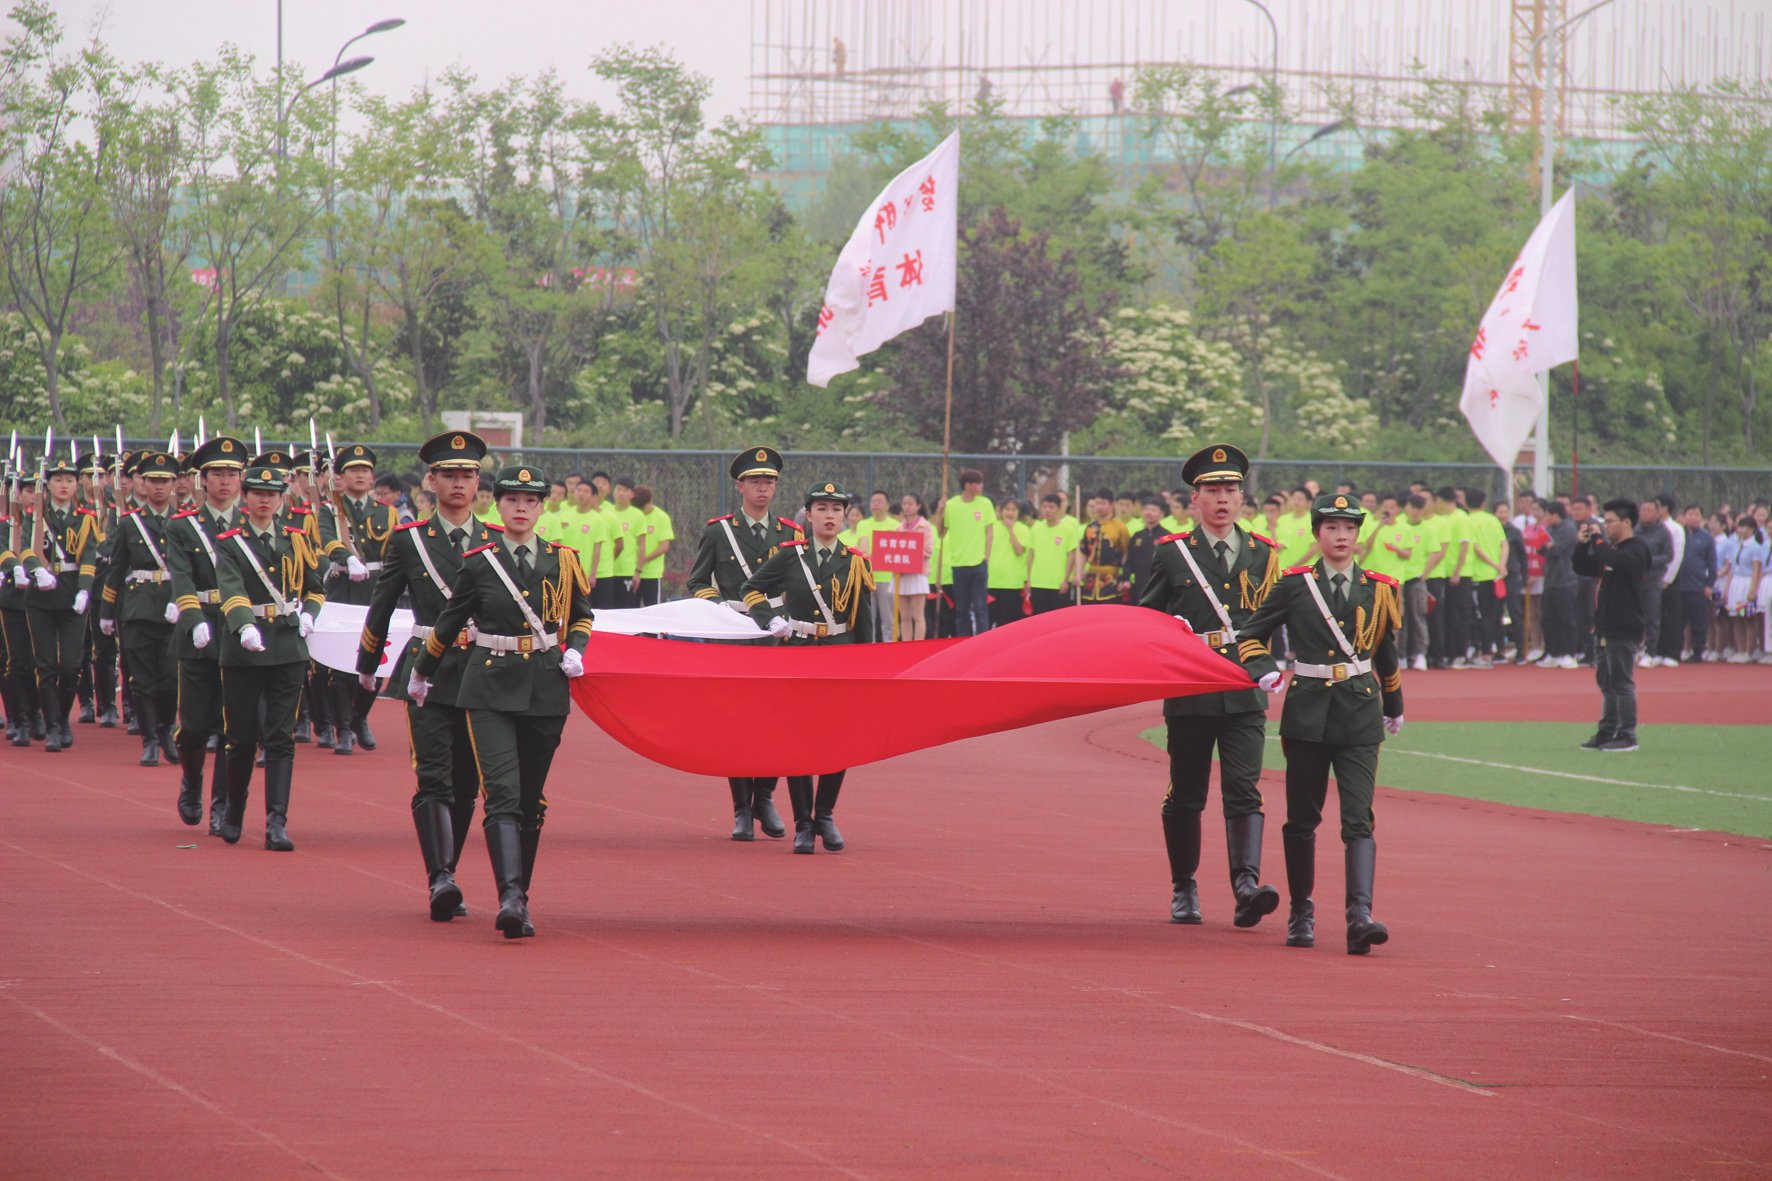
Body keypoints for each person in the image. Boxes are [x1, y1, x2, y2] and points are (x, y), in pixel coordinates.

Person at [411, 464, 593, 938]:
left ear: (541, 507)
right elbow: (450, 623)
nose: (521, 509)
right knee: (503, 794)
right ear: (497, 504)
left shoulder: (563, 559)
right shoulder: (479, 561)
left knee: (532, 800)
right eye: (512, 500)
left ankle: (521, 897)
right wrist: (421, 674)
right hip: (488, 686)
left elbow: (581, 617)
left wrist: (576, 648)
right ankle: (510, 897)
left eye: (530, 502)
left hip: (545, 688)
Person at [1238, 492, 1405, 955]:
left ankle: (1359, 916)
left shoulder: (1379, 587)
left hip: (1359, 712)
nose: (1341, 537)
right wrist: (1265, 669)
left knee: (1358, 819)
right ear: (1317, 534)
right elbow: (1250, 636)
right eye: (1332, 528)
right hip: (1308, 712)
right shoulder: (1295, 585)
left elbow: (1384, 648)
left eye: (1349, 529)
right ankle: (1301, 911)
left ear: (1358, 536)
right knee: (1302, 819)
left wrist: (1394, 701)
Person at [1138, 444, 1284, 930]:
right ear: (1194, 499)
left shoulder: (1264, 554)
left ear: (1243, 497)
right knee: (1187, 793)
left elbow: (1273, 620)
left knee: (1244, 788)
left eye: (1231, 490)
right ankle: (1185, 886)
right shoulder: (1174, 554)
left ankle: (1246, 886)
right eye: (1213, 490)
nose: (1223, 499)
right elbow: (1147, 618)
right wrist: (1168, 632)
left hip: (1243, 687)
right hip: (1192, 687)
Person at [358, 430, 501, 921]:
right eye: (450, 475)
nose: (459, 483)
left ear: (479, 482)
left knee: (467, 782)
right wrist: (368, 662)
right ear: (432, 481)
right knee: (433, 774)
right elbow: (382, 604)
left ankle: (449, 871)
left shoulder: (496, 541)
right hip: (427, 668)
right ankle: (439, 876)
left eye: (468, 475)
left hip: (482, 669)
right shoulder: (410, 540)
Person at [740, 481, 875, 853]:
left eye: (836, 509)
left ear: (844, 515)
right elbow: (751, 589)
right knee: (800, 738)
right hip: (798, 652)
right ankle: (802, 823)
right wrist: (769, 620)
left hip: (840, 655)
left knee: (837, 740)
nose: (829, 516)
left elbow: (864, 622)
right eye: (822, 509)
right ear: (809, 515)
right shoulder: (790, 555)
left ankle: (825, 816)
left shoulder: (857, 561)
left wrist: (868, 669)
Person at [686, 447, 801, 840]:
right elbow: (697, 581)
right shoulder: (720, 531)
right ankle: (741, 807)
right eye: (755, 481)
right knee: (735, 722)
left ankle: (765, 796)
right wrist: (719, 609)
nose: (763, 488)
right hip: (734, 633)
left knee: (777, 722)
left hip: (777, 635)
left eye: (769, 481)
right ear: (740, 486)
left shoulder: (790, 533)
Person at [214, 456, 328, 848]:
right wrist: (244, 624)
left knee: (281, 737)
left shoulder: (296, 538)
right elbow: (230, 587)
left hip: (287, 644)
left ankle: (276, 822)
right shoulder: (230, 543)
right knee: (242, 737)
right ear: (245, 497)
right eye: (258, 493)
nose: (265, 500)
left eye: (272, 494)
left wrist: (310, 615)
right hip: (244, 644)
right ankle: (233, 810)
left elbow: (314, 587)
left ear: (282, 498)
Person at [165, 436, 246, 832]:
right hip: (199, 628)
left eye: (232, 473)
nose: (226, 481)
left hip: (240, 631)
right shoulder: (182, 526)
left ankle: (222, 804)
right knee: (195, 725)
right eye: (218, 473)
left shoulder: (252, 523)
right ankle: (192, 779)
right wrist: (193, 618)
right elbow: (180, 577)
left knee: (233, 726)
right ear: (203, 478)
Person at [99, 451, 183, 767]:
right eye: (153, 481)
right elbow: (116, 569)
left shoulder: (185, 523)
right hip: (137, 609)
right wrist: (107, 611)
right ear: (142, 484)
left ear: (174, 484)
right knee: (142, 680)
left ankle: (165, 730)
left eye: (165, 481)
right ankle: (150, 740)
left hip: (176, 606)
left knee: (170, 678)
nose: (159, 487)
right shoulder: (129, 523)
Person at [317, 444, 399, 756]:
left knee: (375, 657)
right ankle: (344, 729)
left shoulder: (386, 512)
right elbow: (328, 539)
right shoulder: (330, 510)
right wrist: (345, 558)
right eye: (353, 470)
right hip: (343, 587)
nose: (361, 475)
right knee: (341, 664)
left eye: (365, 470)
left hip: (376, 588)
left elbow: (394, 549)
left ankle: (360, 717)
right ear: (341, 477)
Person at [21, 453, 99, 752]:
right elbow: (25, 547)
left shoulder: (85, 519)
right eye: (57, 480)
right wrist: (36, 569)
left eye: (69, 480)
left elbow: (90, 556)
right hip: (40, 597)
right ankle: (53, 726)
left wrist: (84, 590)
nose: (64, 485)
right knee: (45, 665)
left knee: (71, 665)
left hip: (71, 595)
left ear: (77, 484)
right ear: (48, 484)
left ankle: (63, 717)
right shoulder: (35, 516)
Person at [1572, 499, 1650, 751]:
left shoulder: (1636, 549)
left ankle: (1627, 734)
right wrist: (1583, 545)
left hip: (1624, 624)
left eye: (1609, 522)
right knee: (1606, 680)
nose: (1605, 527)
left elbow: (1616, 560)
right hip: (1605, 624)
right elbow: (1583, 567)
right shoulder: (1611, 550)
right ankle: (1607, 730)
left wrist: (1597, 541)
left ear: (1626, 522)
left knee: (1622, 681)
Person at [940, 470, 995, 635]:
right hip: (958, 564)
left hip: (979, 563)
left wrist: (986, 557)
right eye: (978, 483)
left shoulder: (985, 504)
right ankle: (963, 638)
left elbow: (990, 531)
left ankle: (983, 638)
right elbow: (941, 533)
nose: (981, 486)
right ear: (968, 485)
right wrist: (940, 511)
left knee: (980, 607)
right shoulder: (952, 504)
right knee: (961, 608)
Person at [851, 490, 900, 641]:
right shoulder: (863, 524)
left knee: (889, 620)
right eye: (873, 501)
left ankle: (890, 648)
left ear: (887, 505)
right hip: (868, 577)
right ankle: (869, 647)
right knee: (868, 619)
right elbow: (863, 543)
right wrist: (865, 552)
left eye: (879, 501)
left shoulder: (896, 525)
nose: (876, 505)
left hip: (888, 578)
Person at [1538, 499, 1580, 668]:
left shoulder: (1568, 529)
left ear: (1555, 515)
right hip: (1550, 580)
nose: (1545, 517)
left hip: (1566, 580)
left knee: (1566, 618)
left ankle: (1569, 653)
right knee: (1548, 618)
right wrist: (1547, 546)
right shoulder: (1549, 529)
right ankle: (1553, 652)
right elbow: (1541, 549)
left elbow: (1556, 550)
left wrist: (1549, 547)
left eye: (1547, 514)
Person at [1074, 488, 1131, 605]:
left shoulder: (1120, 527)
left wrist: (1123, 577)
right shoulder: (1090, 527)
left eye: (1103, 503)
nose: (1099, 507)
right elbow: (1083, 552)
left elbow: (1126, 553)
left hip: (1111, 581)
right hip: (1091, 581)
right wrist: (1078, 574)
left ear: (1111, 505)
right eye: (1097, 504)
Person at [892, 493, 937, 640]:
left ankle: (918, 644)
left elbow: (928, 550)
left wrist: (912, 556)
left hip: (917, 574)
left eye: (911, 504)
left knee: (918, 615)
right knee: (904, 616)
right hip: (902, 575)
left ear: (918, 506)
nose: (907, 507)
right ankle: (905, 645)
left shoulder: (925, 526)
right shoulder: (899, 528)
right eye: (905, 504)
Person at [1675, 504, 1716, 662]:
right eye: (1690, 514)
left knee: (1699, 622)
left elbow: (1712, 564)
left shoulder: (1706, 537)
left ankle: (1698, 651)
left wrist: (1709, 585)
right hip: (1679, 586)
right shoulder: (1679, 534)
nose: (1693, 517)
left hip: (1698, 588)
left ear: (1702, 518)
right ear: (1684, 517)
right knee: (1678, 622)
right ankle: (1676, 651)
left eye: (1697, 514)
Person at [1635, 496, 1672, 669]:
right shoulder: (1635, 530)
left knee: (1652, 618)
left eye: (1649, 510)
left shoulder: (1663, 532)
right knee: (1634, 616)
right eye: (1643, 510)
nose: (1645, 513)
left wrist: (1649, 561)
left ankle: (1651, 652)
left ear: (1657, 513)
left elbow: (1668, 556)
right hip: (1634, 580)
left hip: (1652, 579)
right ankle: (1635, 648)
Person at [985, 497, 1032, 629]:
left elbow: (1019, 550)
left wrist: (1011, 530)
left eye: (1013, 510)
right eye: (1007, 509)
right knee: (989, 618)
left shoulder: (1023, 529)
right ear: (1001, 511)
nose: (1010, 513)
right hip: (992, 581)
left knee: (1007, 621)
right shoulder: (992, 528)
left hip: (1013, 583)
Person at [1025, 494, 1076, 615]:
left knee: (1057, 619)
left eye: (1051, 507)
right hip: (1038, 582)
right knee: (1039, 618)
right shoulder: (1035, 529)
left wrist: (1066, 580)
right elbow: (1031, 555)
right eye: (1044, 507)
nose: (1047, 510)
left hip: (1057, 583)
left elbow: (1071, 556)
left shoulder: (1068, 529)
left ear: (1059, 509)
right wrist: (1029, 579)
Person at [1652, 493, 1686, 667]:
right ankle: (1659, 650)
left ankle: (1673, 652)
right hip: (1653, 577)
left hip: (1669, 578)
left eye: (1656, 506)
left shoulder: (1675, 528)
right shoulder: (1654, 527)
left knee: (1672, 615)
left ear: (1665, 508)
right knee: (1657, 615)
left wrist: (1667, 579)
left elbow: (1676, 555)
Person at [630, 486, 673, 607]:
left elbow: (664, 546)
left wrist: (643, 560)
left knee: (654, 611)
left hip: (652, 574)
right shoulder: (633, 515)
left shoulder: (661, 517)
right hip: (630, 573)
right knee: (630, 611)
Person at [609, 478, 645, 608]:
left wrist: (638, 571)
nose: (621, 493)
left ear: (632, 494)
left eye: (625, 490)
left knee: (625, 609)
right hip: (608, 571)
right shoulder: (607, 512)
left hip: (626, 571)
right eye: (618, 489)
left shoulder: (637, 515)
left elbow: (641, 545)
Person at [1124, 496, 1166, 599]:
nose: (1149, 513)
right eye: (1146, 509)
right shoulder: (1137, 536)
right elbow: (1129, 559)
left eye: (1153, 510)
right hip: (1138, 583)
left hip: (1158, 585)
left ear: (1161, 514)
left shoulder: (1166, 536)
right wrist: (1125, 579)